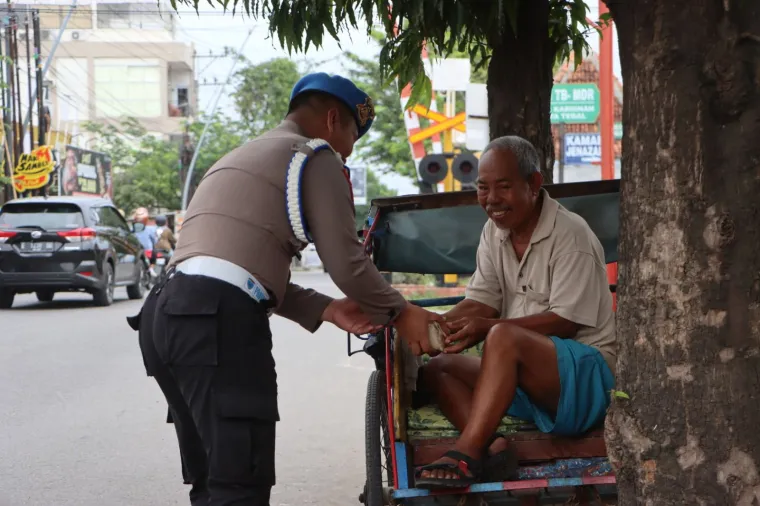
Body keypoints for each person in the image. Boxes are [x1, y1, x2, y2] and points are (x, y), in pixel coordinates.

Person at [127, 73, 446, 506]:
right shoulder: (314, 155)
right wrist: (402, 312)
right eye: (352, 138)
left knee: (212, 482)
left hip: (165, 315)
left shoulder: (242, 155)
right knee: (239, 485)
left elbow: (235, 266)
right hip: (216, 324)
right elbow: (346, 261)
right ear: (332, 120)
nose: (348, 153)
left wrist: (327, 309)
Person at [413, 136, 616, 489]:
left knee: (502, 336)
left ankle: (465, 453)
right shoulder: (494, 232)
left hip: (586, 378)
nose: (491, 199)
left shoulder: (571, 235)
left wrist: (488, 327)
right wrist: (431, 326)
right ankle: (493, 447)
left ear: (534, 184)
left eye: (504, 187)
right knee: (439, 367)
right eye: (483, 188)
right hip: (525, 374)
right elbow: (482, 301)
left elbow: (565, 321)